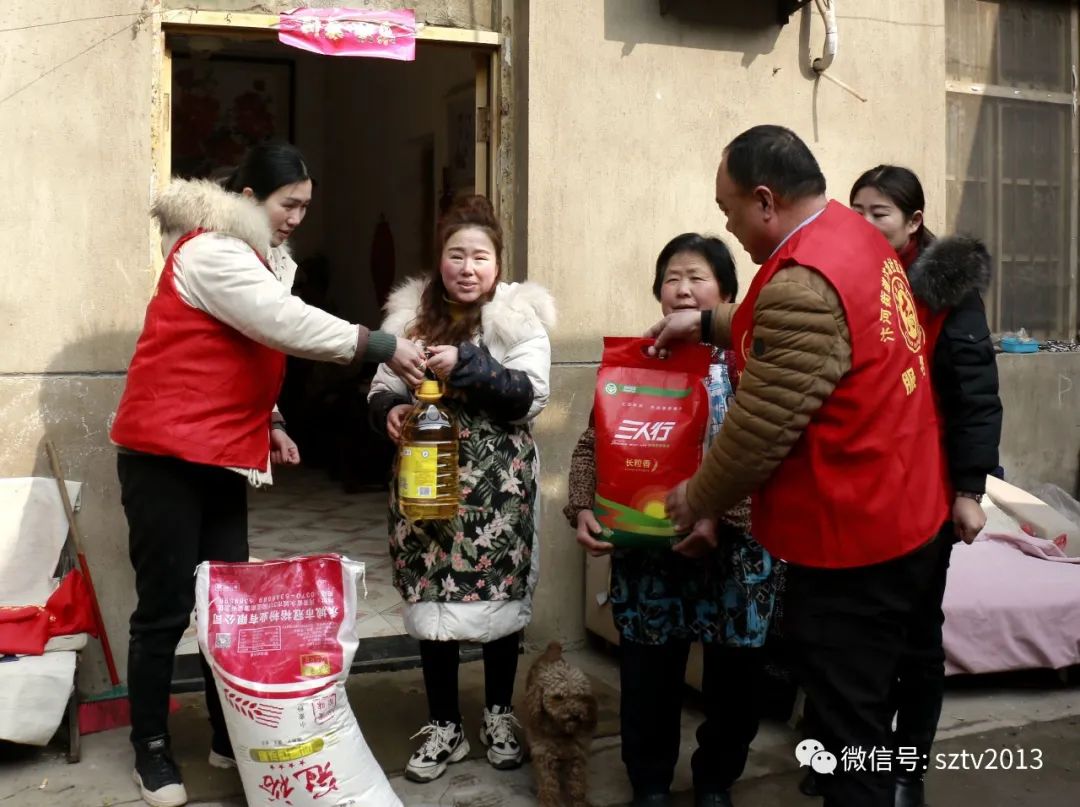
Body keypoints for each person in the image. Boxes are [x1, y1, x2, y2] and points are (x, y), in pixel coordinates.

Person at [110, 143, 425, 807]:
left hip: (222, 453)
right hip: (164, 456)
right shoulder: (210, 250)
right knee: (164, 611)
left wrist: (273, 420)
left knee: (226, 610)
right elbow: (279, 323)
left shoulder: (257, 257)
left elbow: (247, 348)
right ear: (250, 198)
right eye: (289, 204)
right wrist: (378, 342)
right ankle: (151, 747)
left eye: (306, 208)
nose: (296, 219)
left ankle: (231, 731)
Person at [648, 125, 950, 807]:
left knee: (851, 731)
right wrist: (702, 324)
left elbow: (760, 429)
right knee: (857, 712)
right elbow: (782, 328)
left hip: (856, 539)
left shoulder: (804, 277)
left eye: (728, 211)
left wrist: (695, 496)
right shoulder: (850, 234)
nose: (728, 226)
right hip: (905, 508)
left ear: (765, 201)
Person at [565, 233, 774, 807]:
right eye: (671, 278)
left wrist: (714, 517)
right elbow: (594, 446)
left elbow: (769, 453)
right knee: (649, 677)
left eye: (697, 277)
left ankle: (715, 782)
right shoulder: (635, 360)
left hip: (735, 552)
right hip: (650, 552)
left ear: (727, 295)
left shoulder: (753, 361)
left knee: (735, 681)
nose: (681, 288)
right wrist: (584, 506)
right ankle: (650, 782)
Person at [368, 195, 555, 783]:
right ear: (439, 259)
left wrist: (469, 365)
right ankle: (444, 723)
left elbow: (531, 396)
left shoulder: (519, 319)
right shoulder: (406, 319)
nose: (467, 268)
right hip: (425, 483)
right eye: (456, 255)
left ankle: (498, 714)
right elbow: (379, 383)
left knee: (499, 600)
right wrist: (388, 412)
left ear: (498, 262)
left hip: (498, 491)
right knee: (433, 600)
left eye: (480, 256)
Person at [851, 165, 1002, 807]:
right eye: (855, 209)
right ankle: (852, 759)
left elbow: (975, 396)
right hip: (854, 486)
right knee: (852, 636)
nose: (863, 223)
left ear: (914, 222)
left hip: (926, 491)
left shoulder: (946, 291)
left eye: (878, 212)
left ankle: (905, 769)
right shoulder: (847, 277)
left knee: (914, 635)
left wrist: (969, 489)